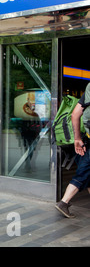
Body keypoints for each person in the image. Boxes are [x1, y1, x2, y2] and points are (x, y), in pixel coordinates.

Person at [55, 86, 90, 218]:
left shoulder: (88, 91)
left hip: (87, 138)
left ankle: (64, 203)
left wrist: (77, 138)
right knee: (84, 172)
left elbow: (75, 114)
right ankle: (63, 203)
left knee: (86, 171)